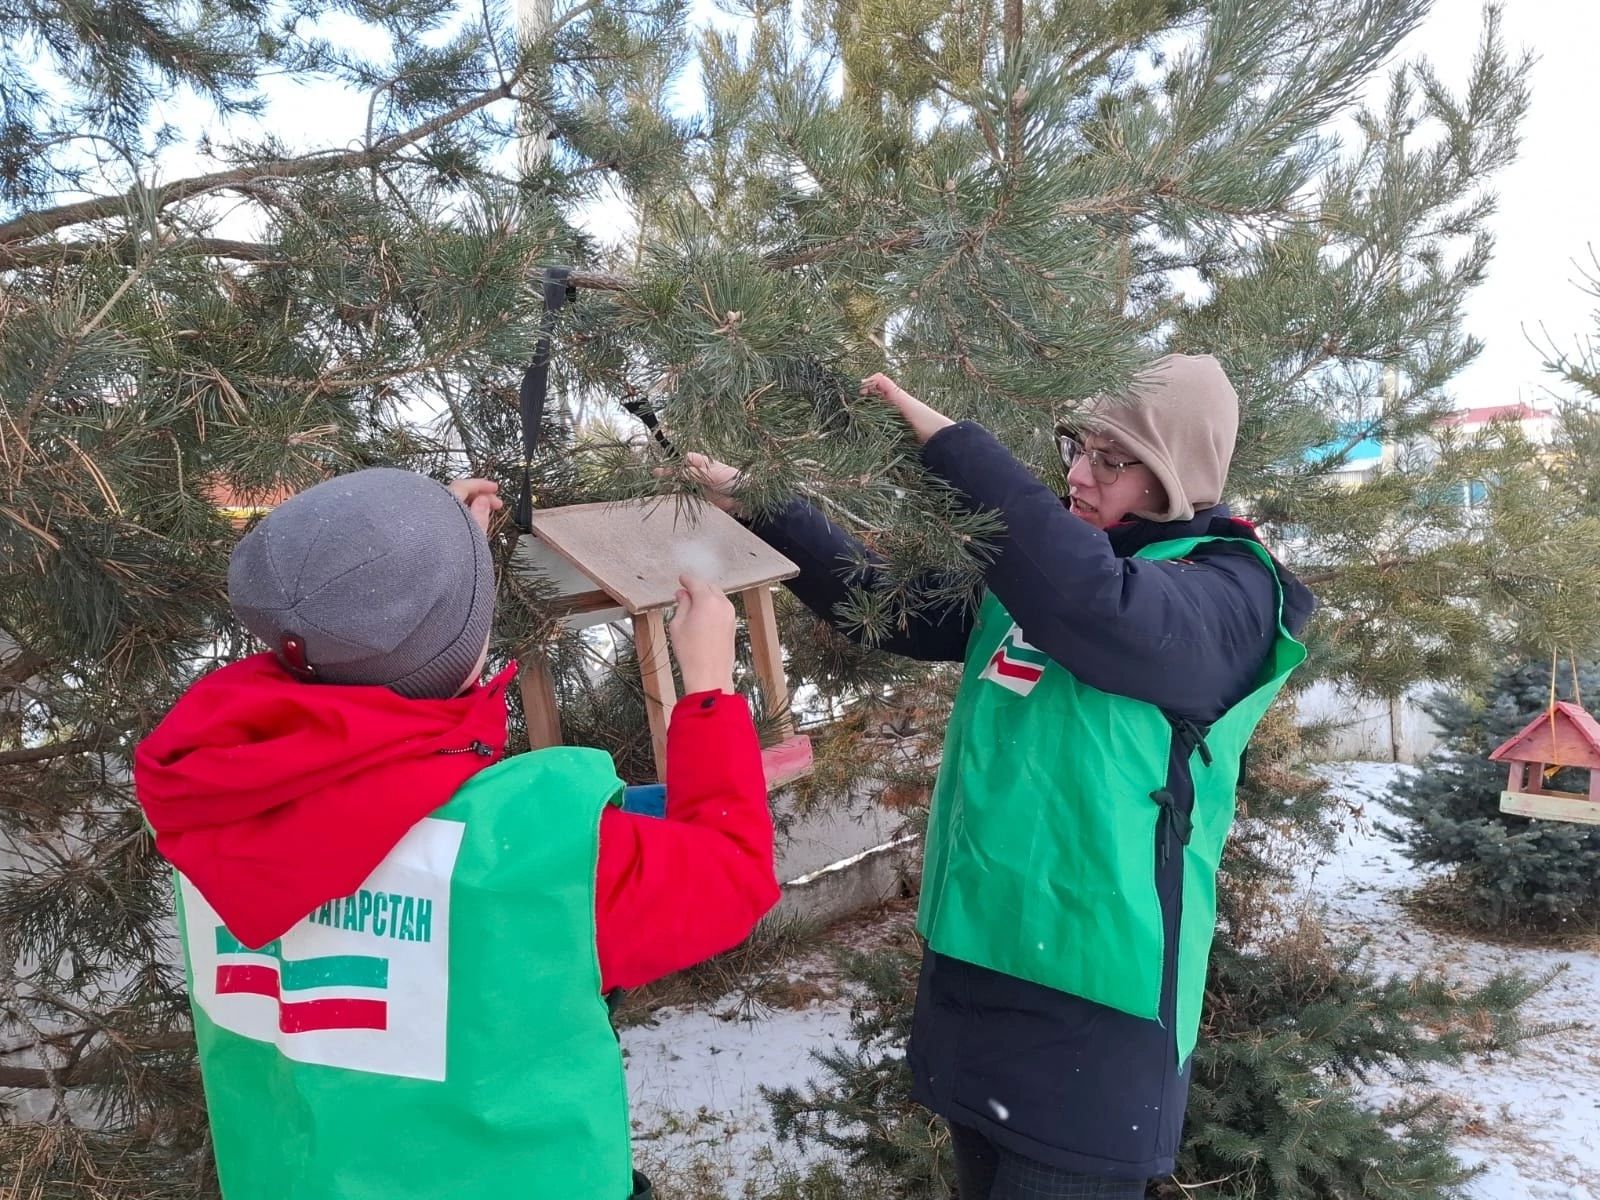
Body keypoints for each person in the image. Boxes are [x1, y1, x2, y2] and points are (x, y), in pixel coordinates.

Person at [679, 355, 1316, 1199]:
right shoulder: (1048, 570)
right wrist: (758, 500)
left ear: (1175, 472)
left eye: (1112, 459)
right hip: (980, 965)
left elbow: (1103, 610)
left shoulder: (1229, 591)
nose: (1079, 474)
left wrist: (953, 446)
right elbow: (885, 601)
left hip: (1098, 1005)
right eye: (1076, 447)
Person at [134, 468, 779, 1200]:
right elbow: (731, 871)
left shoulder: (198, 792)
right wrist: (708, 690)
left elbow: (378, 711)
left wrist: (420, 566)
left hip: (291, 1173)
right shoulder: (536, 845)